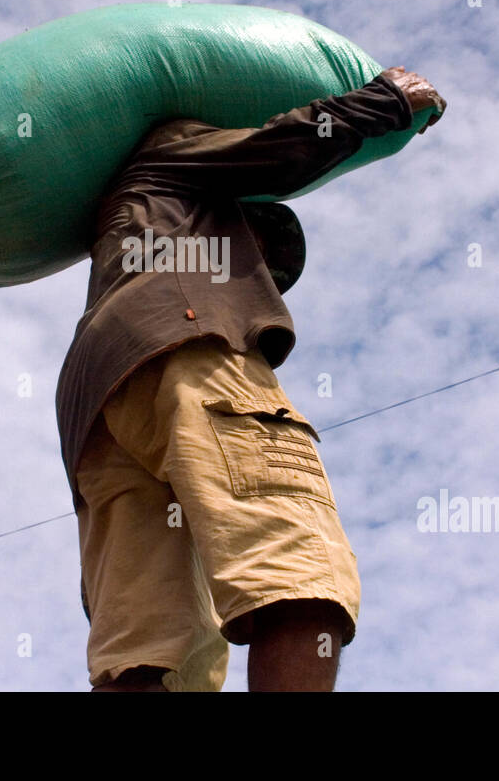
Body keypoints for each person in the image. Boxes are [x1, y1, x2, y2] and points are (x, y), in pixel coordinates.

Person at [54, 65, 446, 691]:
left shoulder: (124, 228)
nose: (260, 268)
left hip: (96, 404)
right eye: (262, 246)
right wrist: (386, 102)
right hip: (182, 349)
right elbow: (276, 148)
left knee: (143, 638)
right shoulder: (171, 158)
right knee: (291, 554)